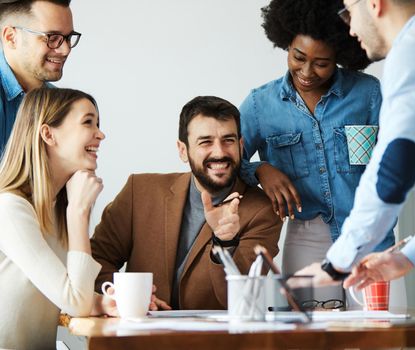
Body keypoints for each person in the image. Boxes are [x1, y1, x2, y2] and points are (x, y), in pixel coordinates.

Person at [239, 0, 394, 304]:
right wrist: (260, 170)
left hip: (371, 235)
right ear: (286, 43)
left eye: (321, 63)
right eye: (298, 57)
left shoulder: (368, 94)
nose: (307, 71)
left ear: (340, 55)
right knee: (312, 338)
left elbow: (393, 159)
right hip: (307, 236)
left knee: (380, 334)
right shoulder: (260, 105)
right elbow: (229, 160)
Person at [91, 96, 282, 310]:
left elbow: (240, 299)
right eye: (206, 142)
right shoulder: (139, 190)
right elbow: (96, 261)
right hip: (138, 336)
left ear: (240, 145)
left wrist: (224, 244)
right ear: (183, 150)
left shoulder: (264, 210)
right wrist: (123, 297)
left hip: (212, 340)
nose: (219, 152)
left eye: (228, 140)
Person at [296, 0, 415, 288]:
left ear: (375, 3)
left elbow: (395, 166)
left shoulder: (411, 51)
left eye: (348, 12)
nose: (350, 29)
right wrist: (408, 257)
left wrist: (338, 262)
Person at [0, 87, 116, 350]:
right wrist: (78, 213)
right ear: (48, 134)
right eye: (88, 122)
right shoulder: (10, 209)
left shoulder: (57, 209)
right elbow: (74, 301)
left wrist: (103, 301)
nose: (101, 134)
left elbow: (68, 292)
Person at [0, 0, 80, 155]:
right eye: (51, 37)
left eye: (69, 37)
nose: (65, 49)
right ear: (11, 37)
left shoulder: (60, 104)